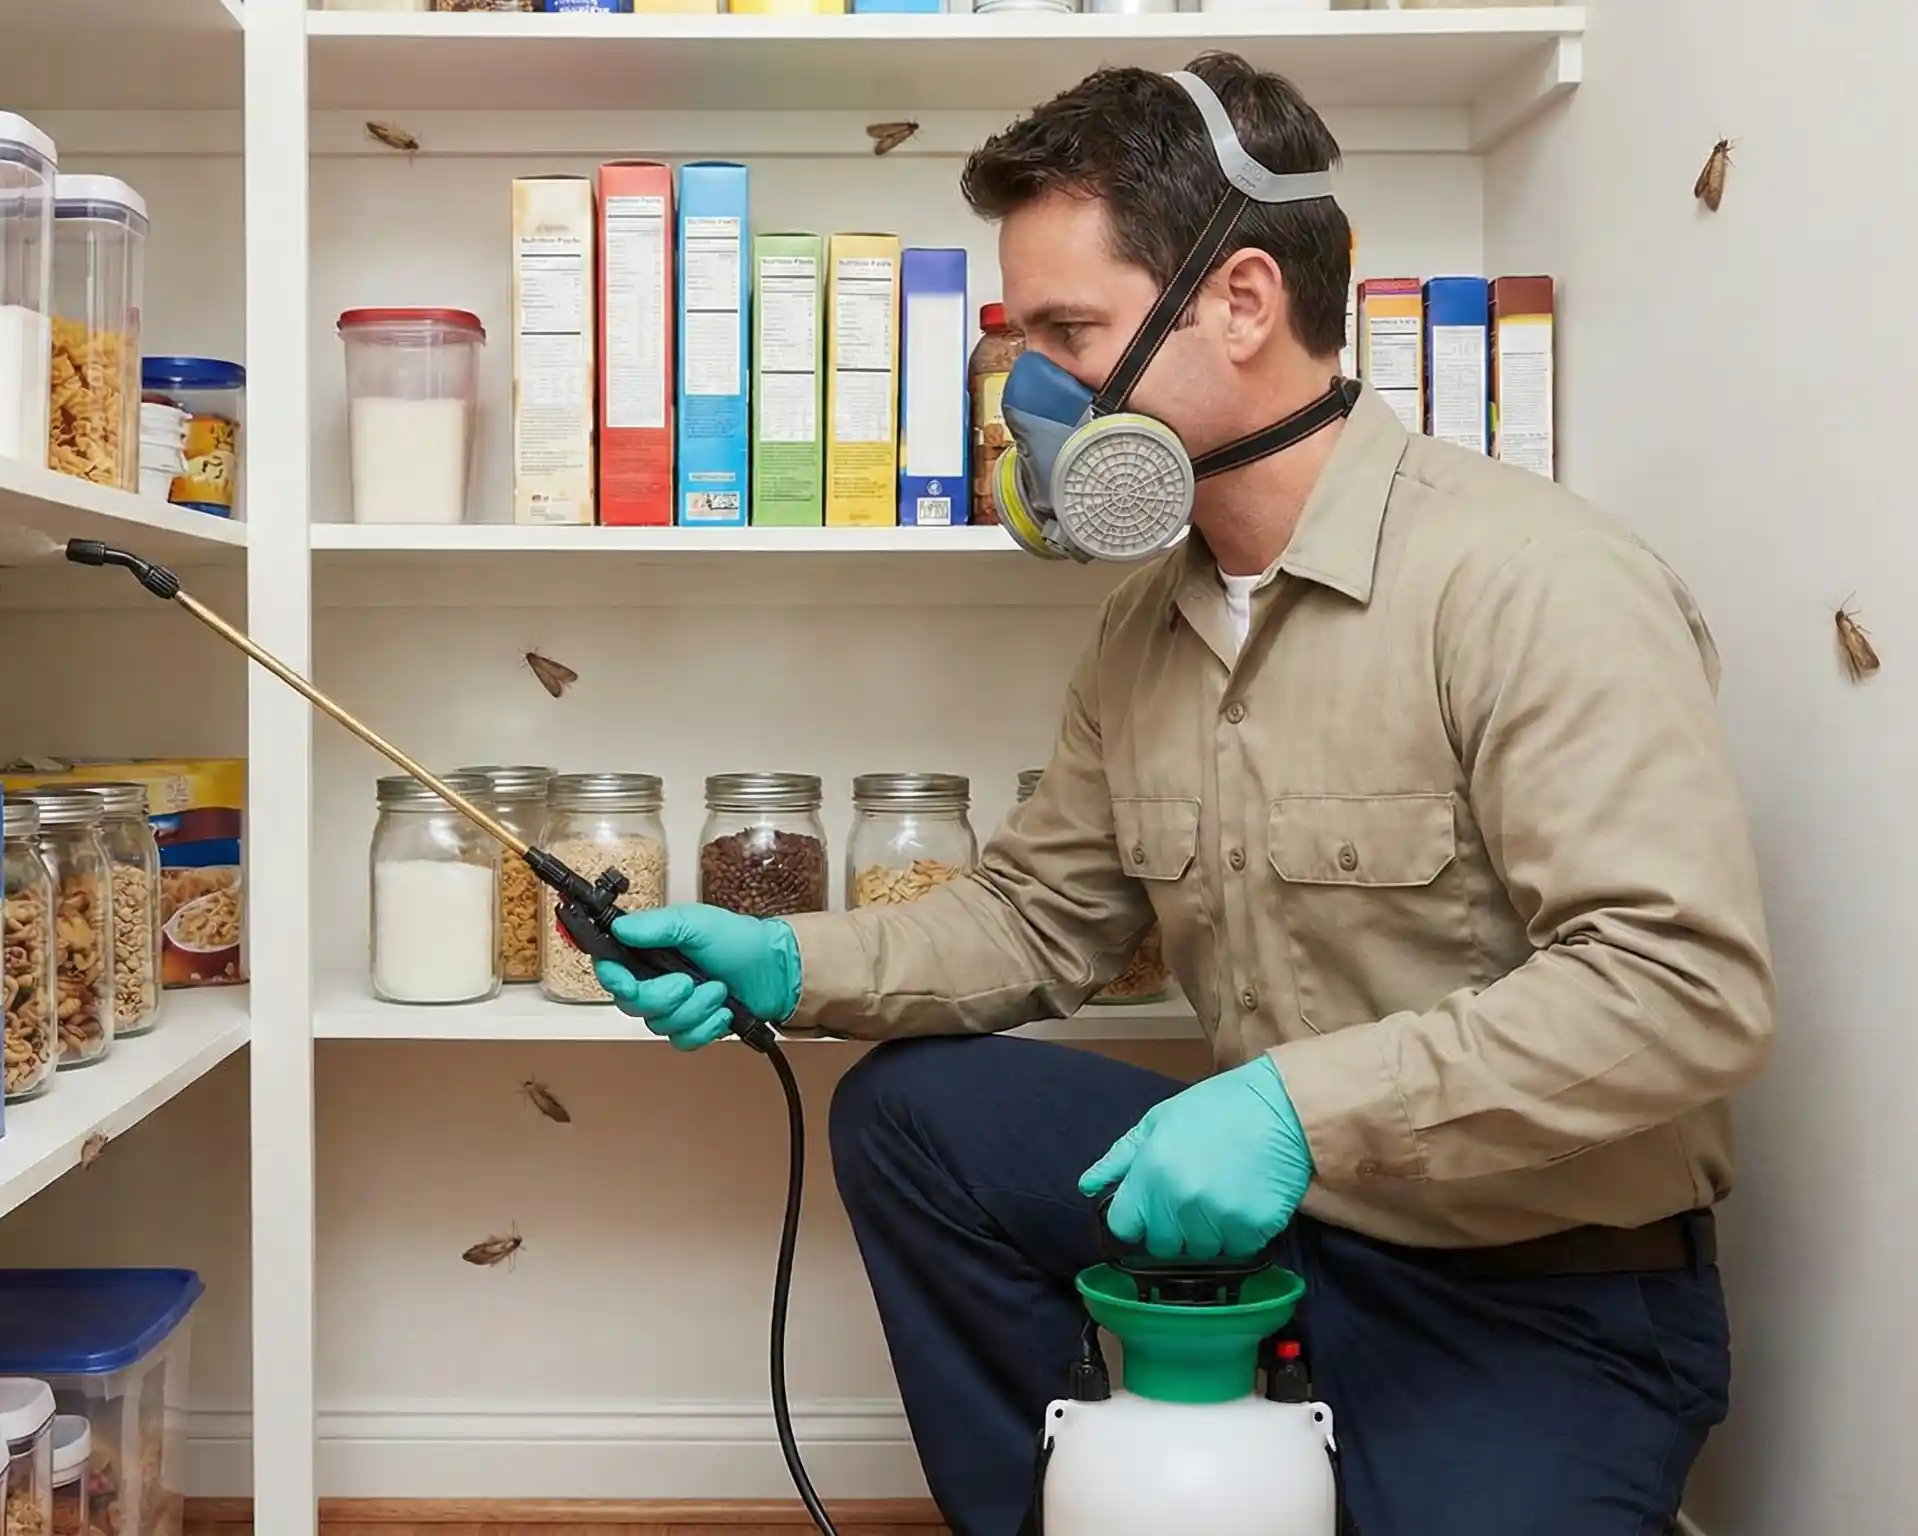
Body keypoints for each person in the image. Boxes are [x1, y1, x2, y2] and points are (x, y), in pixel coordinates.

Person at [596, 53, 1773, 1536]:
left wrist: (1297, 1107)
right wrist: (787, 961)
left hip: (1545, 1298)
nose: (1030, 393)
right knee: (914, 1116)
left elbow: (1684, 990)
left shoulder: (1533, 582)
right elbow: (1038, 924)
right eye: (1024, 340)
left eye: (1071, 332)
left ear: (1241, 302)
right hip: (1280, 1247)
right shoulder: (1149, 623)